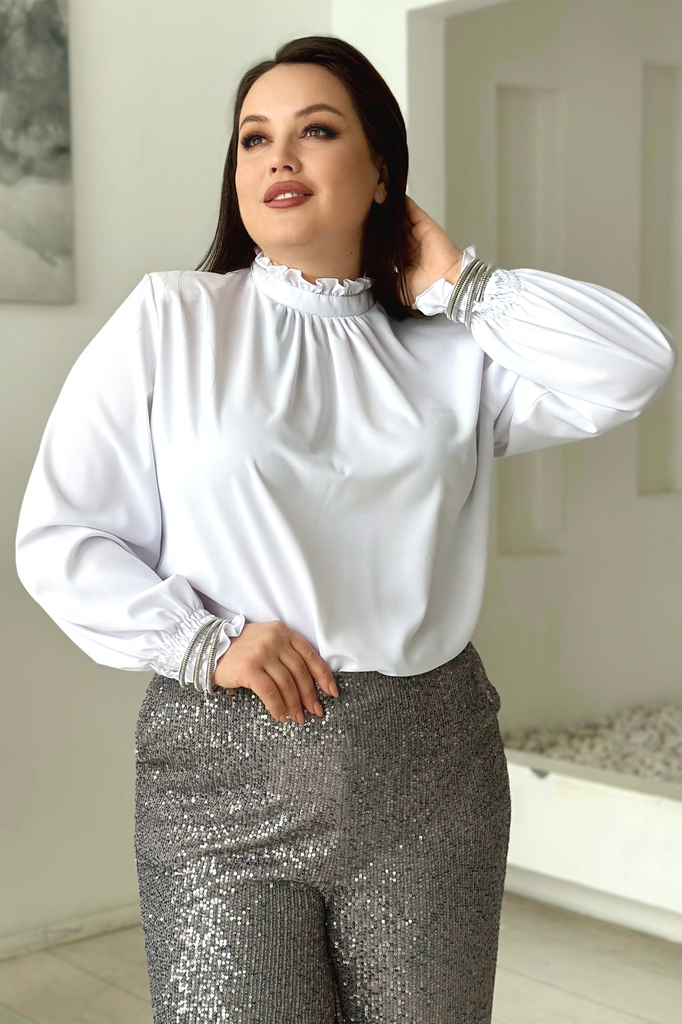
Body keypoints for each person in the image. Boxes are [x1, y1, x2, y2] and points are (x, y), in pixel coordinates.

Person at [15, 33, 676, 1024]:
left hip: (432, 771)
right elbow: (61, 536)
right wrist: (203, 640)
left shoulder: (454, 351)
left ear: (379, 174)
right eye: (254, 138)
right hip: (222, 771)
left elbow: (632, 365)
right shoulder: (171, 319)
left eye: (316, 131)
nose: (277, 157)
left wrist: (459, 283)